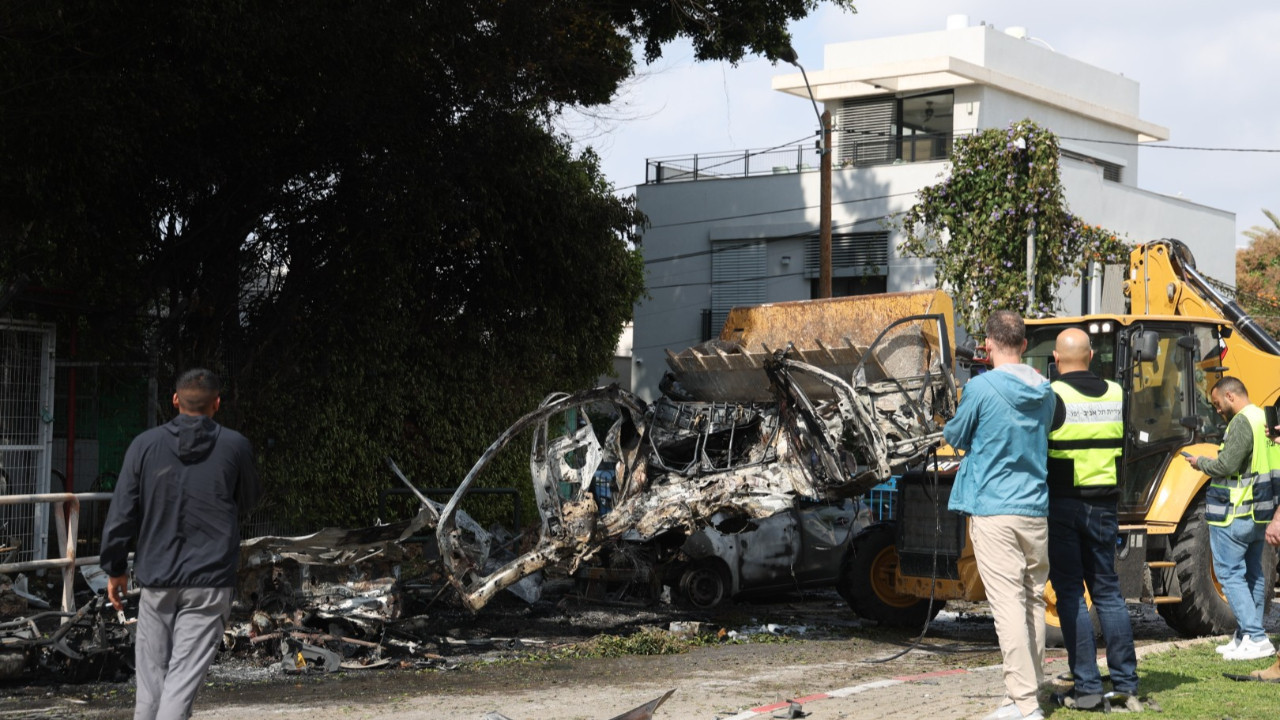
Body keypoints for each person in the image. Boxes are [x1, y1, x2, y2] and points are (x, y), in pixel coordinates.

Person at [99, 369, 261, 720]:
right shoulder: (235, 446)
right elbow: (248, 500)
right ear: (217, 403)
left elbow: (122, 511)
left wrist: (114, 569)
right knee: (182, 680)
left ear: (175, 400)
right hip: (210, 579)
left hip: (157, 579)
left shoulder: (144, 445)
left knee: (152, 681)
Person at [944, 310, 1056, 720]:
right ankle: (1024, 693)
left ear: (987, 345)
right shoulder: (1047, 391)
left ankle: (1024, 706)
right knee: (1031, 601)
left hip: (994, 509)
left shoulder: (981, 387)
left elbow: (954, 435)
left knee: (1007, 605)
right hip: (1034, 509)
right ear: (1025, 345)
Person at [1044, 328, 1139, 711]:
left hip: (1064, 506)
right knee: (1108, 592)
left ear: (1055, 357)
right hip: (1104, 506)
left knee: (1069, 594)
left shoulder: (1053, 396)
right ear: (1091, 355)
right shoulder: (1116, 393)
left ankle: (1086, 686)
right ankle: (1125, 683)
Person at [1187, 377, 1279, 662]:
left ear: (1230, 396)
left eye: (1217, 404)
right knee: (1252, 573)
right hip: (1258, 511)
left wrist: (1199, 462)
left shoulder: (1241, 421)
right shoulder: (1263, 417)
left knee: (1229, 574)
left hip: (1234, 512)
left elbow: (1227, 465)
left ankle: (1256, 636)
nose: (1217, 410)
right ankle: (1245, 636)